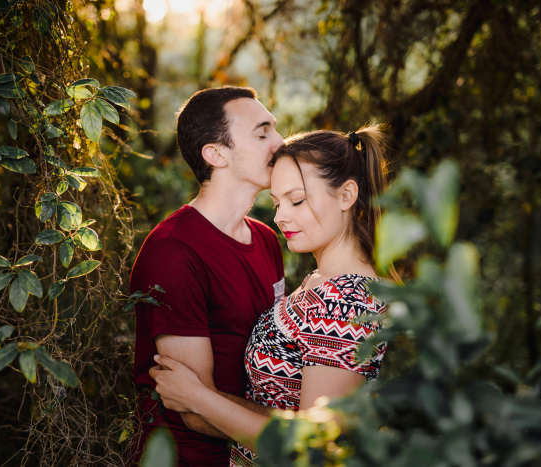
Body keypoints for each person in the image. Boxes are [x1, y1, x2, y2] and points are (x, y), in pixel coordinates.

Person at [149, 125, 391, 467]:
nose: (280, 217)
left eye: (297, 200)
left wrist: (198, 398)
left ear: (346, 195)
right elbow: (283, 412)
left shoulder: (346, 299)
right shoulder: (321, 281)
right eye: (276, 203)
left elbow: (312, 446)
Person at [126, 86, 286, 466]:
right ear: (216, 154)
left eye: (276, 129)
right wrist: (303, 428)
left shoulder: (266, 239)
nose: (280, 142)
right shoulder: (174, 251)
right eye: (262, 133)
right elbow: (194, 409)